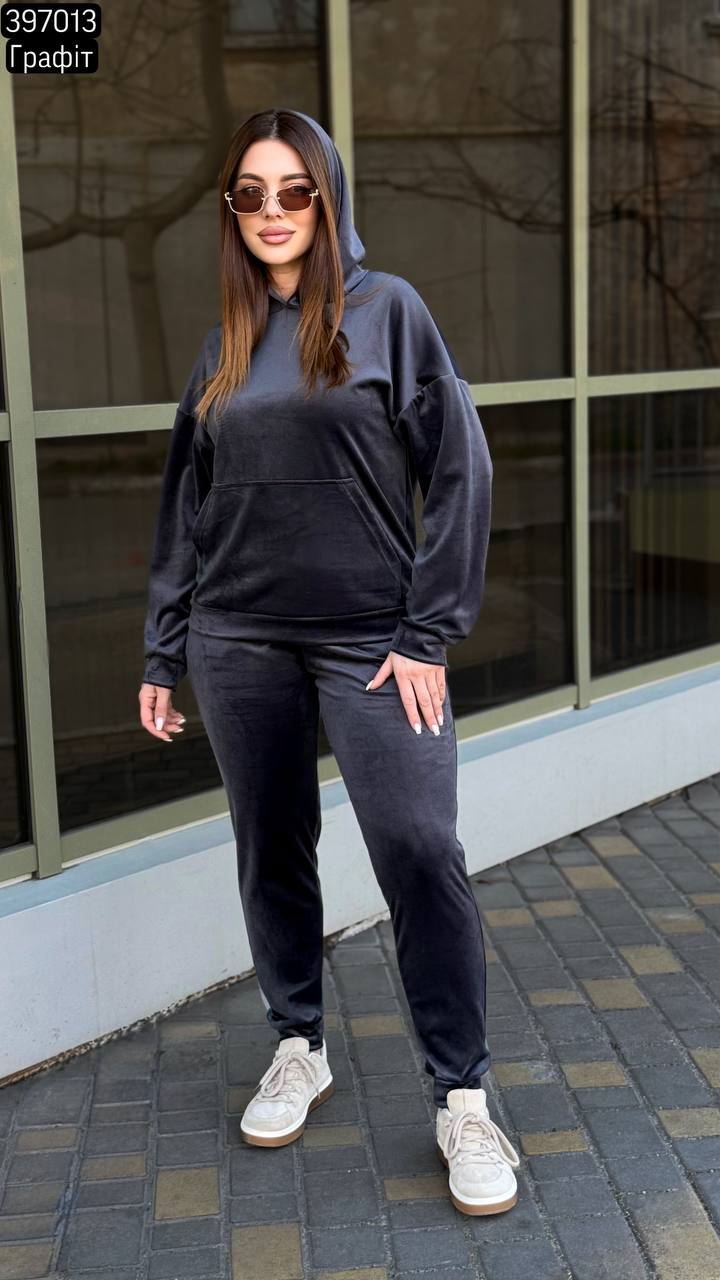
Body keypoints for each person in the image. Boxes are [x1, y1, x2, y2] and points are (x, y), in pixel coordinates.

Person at [138, 107, 520, 1217]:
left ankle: (463, 1096)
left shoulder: (388, 311)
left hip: (372, 644)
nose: (273, 211)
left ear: (328, 196)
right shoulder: (225, 339)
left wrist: (425, 631)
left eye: (294, 190)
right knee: (272, 846)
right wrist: (165, 649)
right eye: (251, 194)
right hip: (238, 638)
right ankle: (298, 1041)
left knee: (421, 850)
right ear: (231, 210)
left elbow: (461, 468)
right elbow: (185, 507)